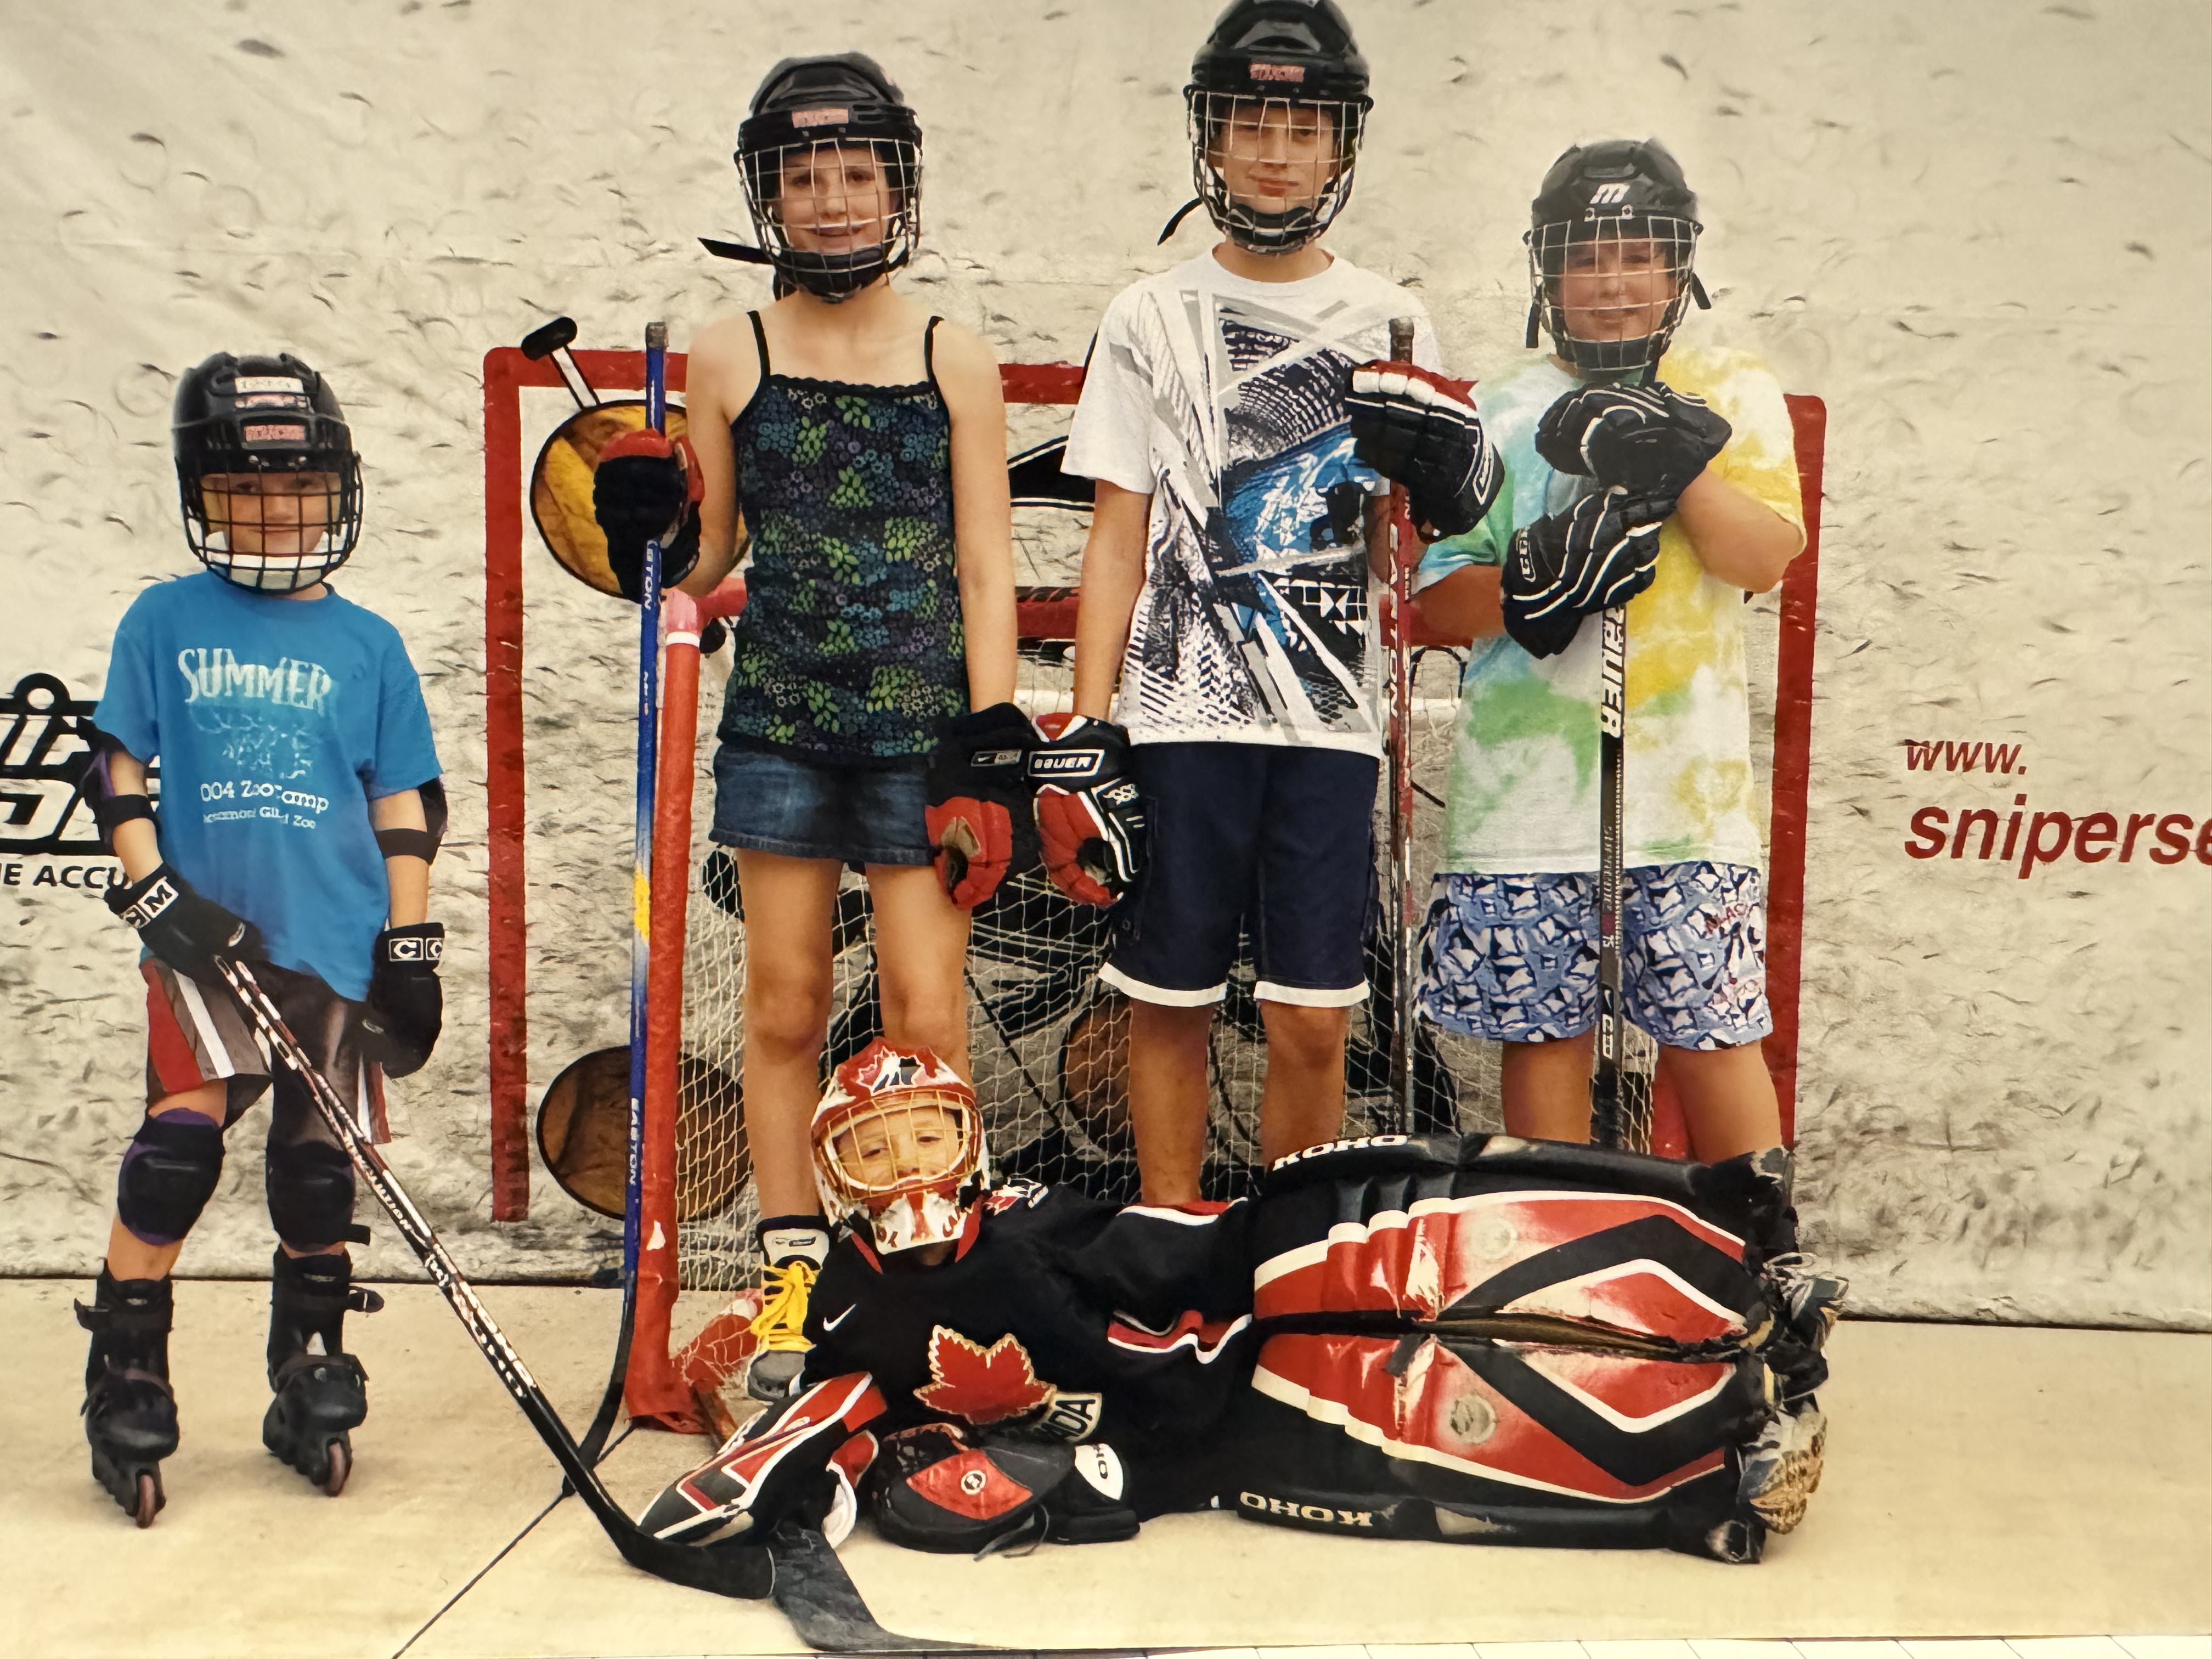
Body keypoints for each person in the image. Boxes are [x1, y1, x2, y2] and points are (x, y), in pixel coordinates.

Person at [589, 53, 1022, 1401]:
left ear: (896, 185)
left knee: (924, 1015)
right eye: (803, 175)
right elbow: (707, 552)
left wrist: (992, 742)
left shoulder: (954, 352)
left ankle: (931, 1271)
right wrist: (648, 520)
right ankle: (791, 1282)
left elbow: (989, 564)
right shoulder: (733, 352)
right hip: (781, 718)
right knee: (783, 1007)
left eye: (855, 172)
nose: (831, 199)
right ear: (768, 194)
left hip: (919, 731)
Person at [1051, 0, 1497, 1204]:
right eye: (1252, 120)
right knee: (1168, 1002)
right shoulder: (1146, 314)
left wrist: (1452, 477)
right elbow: (1116, 537)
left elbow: (1431, 533)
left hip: (1328, 728)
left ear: (1341, 145)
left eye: (1302, 126)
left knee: (1310, 1023)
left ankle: (1289, 1256)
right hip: (1181, 720)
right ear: (1212, 135)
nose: (1274, 150)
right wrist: (1089, 734)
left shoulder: (1391, 317)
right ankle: (1171, 1239)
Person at [76, 351, 445, 1523]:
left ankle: (309, 1362)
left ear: (337, 489)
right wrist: (151, 895)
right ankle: (125, 1367)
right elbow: (118, 767)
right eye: (243, 486)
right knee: (177, 1154)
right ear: (200, 491)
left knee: (316, 1170)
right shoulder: (164, 619)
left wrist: (414, 945)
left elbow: (406, 806)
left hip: (334, 939)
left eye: (295, 486)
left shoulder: (370, 644)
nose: (272, 509)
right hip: (205, 937)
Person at [1411, 138, 1807, 1163]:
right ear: (1547, 270)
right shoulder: (1494, 405)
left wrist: (1679, 467)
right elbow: (1436, 604)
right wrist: (1534, 587)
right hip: (1527, 803)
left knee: (1713, 1037)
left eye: (1639, 252)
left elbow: (1763, 556)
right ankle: (1558, 1277)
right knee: (1544, 1044)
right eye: (1587, 257)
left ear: (1680, 267)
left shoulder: (1730, 386)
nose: (1614, 281)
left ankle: (1759, 1266)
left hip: (1689, 805)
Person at [635, 1039, 1254, 1553]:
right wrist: (837, 1466)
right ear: (833, 1173)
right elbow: (854, 1397)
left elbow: (1187, 1249)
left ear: (969, 1143)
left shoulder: (1031, 1228)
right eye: (874, 1150)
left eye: (928, 1139)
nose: (906, 1164)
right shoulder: (843, 1289)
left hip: (1194, 1410)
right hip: (1058, 1444)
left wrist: (1290, 1224)